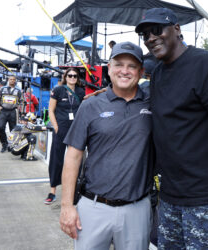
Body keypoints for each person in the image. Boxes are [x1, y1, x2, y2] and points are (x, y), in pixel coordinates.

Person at [135, 8, 208, 249]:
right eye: (145, 34)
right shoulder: (159, 75)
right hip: (171, 199)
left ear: (177, 29)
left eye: (156, 30)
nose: (150, 38)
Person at [59, 41, 153, 250]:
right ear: (108, 68)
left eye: (132, 66)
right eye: (119, 64)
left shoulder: (154, 104)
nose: (125, 71)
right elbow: (73, 156)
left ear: (141, 72)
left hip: (137, 209)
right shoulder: (90, 105)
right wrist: (67, 205)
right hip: (93, 209)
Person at [45, 67, 85, 205]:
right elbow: (51, 110)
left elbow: (85, 106)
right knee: (56, 158)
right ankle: (52, 191)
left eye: (75, 76)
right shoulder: (58, 90)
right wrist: (55, 126)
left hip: (75, 129)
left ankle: (74, 191)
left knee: (76, 161)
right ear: (65, 77)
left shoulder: (80, 91)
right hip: (61, 128)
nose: (72, 78)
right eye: (70, 75)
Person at [0, 76, 24, 153]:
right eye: (10, 79)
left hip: (13, 112)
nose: (12, 81)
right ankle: (4, 144)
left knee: (13, 129)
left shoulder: (18, 90)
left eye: (13, 79)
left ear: (15, 81)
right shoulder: (2, 89)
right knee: (0, 127)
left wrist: (22, 112)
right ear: (8, 80)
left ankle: (12, 145)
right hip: (3, 111)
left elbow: (22, 102)